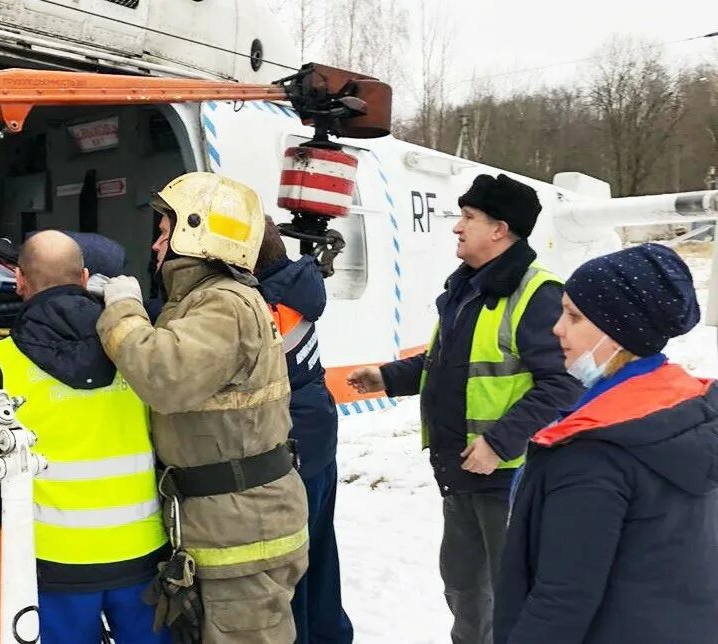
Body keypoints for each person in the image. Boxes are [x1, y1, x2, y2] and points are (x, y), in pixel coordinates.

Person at [346, 174, 581, 644]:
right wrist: (389, 377)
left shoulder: (535, 294)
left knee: (513, 591)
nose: (457, 227)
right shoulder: (468, 288)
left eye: (469, 218)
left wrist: (498, 442)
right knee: (464, 588)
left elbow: (563, 385)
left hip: (507, 476)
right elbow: (451, 363)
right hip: (459, 471)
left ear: (501, 229)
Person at [95, 172, 309, 643]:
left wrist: (123, 309)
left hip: (243, 529)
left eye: (166, 231)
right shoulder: (199, 303)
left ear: (198, 231)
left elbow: (163, 377)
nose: (156, 246)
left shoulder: (224, 304)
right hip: (226, 520)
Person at [494, 243, 718, 644]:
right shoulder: (690, 411)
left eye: (574, 316)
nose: (557, 328)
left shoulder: (593, 456)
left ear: (619, 331)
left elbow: (561, 601)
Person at [0, 230, 170, 644]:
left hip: (54, 560)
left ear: (19, 281)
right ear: (85, 278)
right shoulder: (137, 349)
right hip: (141, 550)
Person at [254, 218, 352, 643]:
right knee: (318, 564)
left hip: (290, 448)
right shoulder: (291, 289)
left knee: (288, 575)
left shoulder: (262, 308)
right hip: (313, 442)